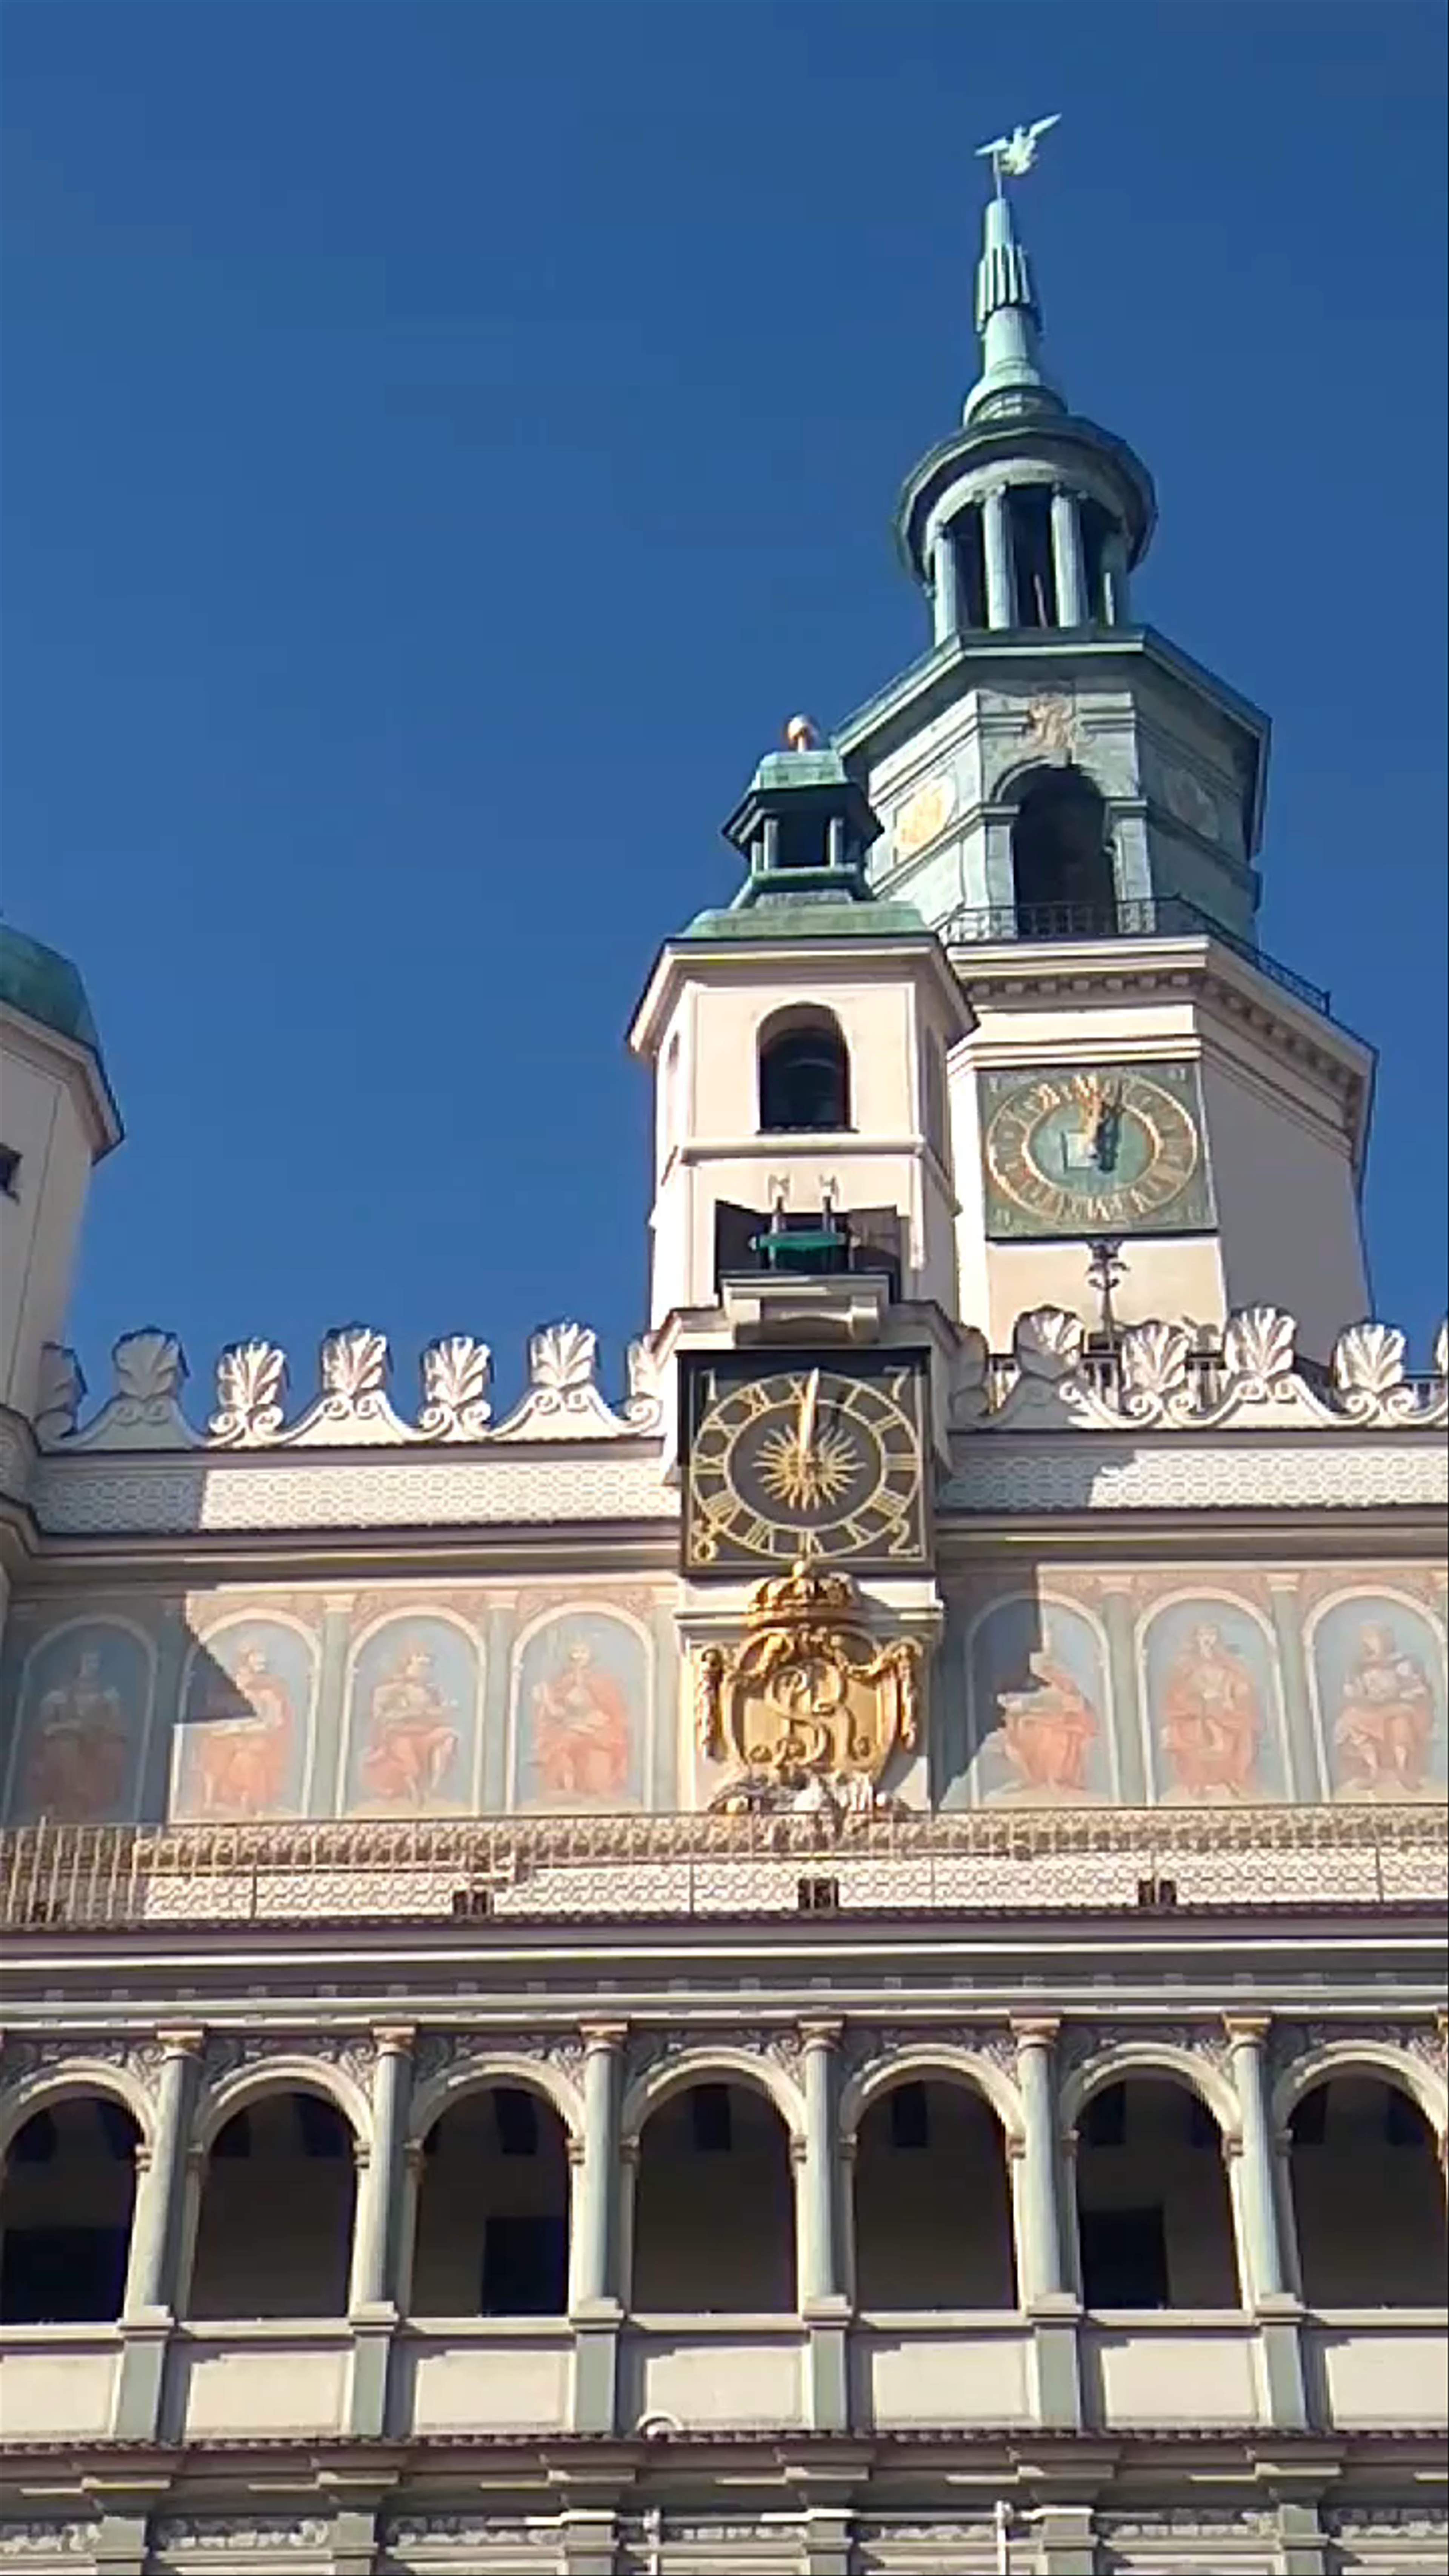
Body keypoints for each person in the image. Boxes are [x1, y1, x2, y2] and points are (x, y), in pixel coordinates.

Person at [185, 1644, 292, 1818]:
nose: (242, 1679)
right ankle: (210, 1801)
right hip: (234, 1738)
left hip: (258, 1739)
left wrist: (245, 1729)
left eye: (246, 1675)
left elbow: (274, 1723)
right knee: (212, 1748)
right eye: (239, 1676)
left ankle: (250, 1807)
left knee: (245, 1759)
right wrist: (227, 1730)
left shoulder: (268, 1694)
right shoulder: (232, 1698)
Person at [26, 1647, 129, 1821]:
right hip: (64, 1745)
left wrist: (96, 1729)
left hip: (95, 1746)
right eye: (88, 1662)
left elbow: (117, 1727)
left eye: (95, 1663)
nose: (92, 1667)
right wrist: (68, 1727)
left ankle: (93, 1803)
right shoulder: (57, 1697)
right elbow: (44, 1729)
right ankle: (61, 1803)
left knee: (113, 1750)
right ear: (77, 1666)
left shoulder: (109, 1697)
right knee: (64, 1746)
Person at [1158, 1623, 1260, 1798]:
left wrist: (1232, 1696)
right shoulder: (1186, 1665)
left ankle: (1234, 1780)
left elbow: (1240, 1686)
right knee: (1194, 1733)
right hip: (1194, 1713)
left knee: (1242, 1728)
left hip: (1225, 1711)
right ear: (1196, 1639)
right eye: (1203, 1635)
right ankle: (1199, 1784)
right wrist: (1200, 1700)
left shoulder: (1228, 1663)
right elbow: (1177, 1694)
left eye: (1211, 1634)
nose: (1207, 1639)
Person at [1333, 1623, 1436, 1796]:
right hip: (1372, 1708)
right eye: (1370, 1639)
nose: (1375, 1643)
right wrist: (1362, 1696)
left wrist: (1400, 1695)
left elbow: (1418, 1689)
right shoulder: (1360, 1667)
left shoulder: (1402, 1662)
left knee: (1400, 1720)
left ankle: (1404, 1769)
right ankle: (1373, 1769)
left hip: (1398, 1705)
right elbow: (1352, 1691)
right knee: (1351, 1718)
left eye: (1377, 1638)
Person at [358, 1645, 460, 1807]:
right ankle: (414, 1794)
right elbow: (381, 1716)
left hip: (425, 1733)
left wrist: (444, 1710)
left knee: (449, 1738)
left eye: (427, 1667)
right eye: (420, 1665)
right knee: (411, 1763)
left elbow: (439, 1713)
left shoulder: (433, 1692)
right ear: (407, 1666)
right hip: (398, 1735)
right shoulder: (388, 1691)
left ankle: (434, 1789)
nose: (424, 1671)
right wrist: (415, 1714)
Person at [530, 1640, 629, 1801]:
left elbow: (611, 1712)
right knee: (560, 1746)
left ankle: (597, 1789)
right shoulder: (563, 1682)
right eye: (575, 1652)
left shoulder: (601, 1681)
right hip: (570, 1727)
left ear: (591, 1656)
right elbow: (557, 1713)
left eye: (583, 1652)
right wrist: (547, 1701)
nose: (578, 1657)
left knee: (595, 1764)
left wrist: (593, 1722)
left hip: (598, 1731)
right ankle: (565, 1789)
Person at [993, 1650, 1097, 1796]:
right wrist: (1021, 1706)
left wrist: (1028, 1707)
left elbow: (1070, 1708)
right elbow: (1039, 1702)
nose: (1047, 1676)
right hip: (1051, 1725)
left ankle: (1053, 1780)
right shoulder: (1050, 1690)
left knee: (1044, 1737)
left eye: (1048, 1672)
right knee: (1022, 1727)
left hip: (1066, 1730)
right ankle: (1033, 1777)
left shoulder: (1070, 1691)